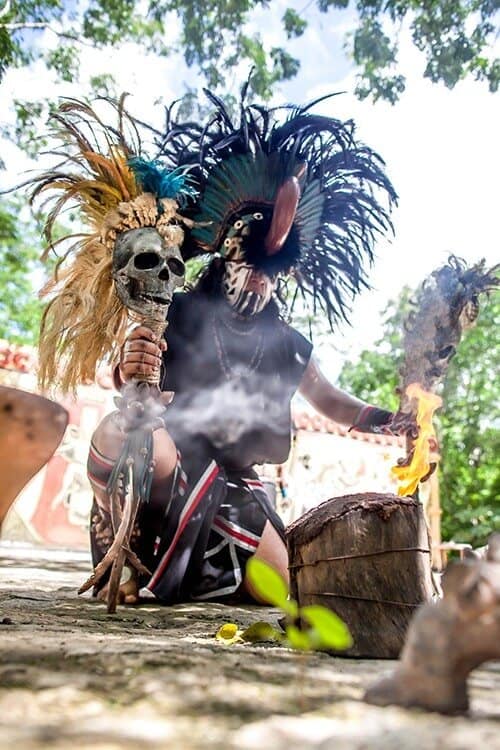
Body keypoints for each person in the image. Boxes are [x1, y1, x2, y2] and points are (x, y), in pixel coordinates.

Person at [88, 255, 401, 606]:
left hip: (233, 483)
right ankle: (122, 562)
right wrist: (134, 361)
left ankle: (183, 578)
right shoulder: (176, 309)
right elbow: (129, 371)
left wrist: (392, 421)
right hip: (167, 456)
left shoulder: (287, 345)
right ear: (225, 263)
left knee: (275, 588)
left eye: (270, 271)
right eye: (251, 263)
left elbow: (328, 398)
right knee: (126, 434)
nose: (259, 276)